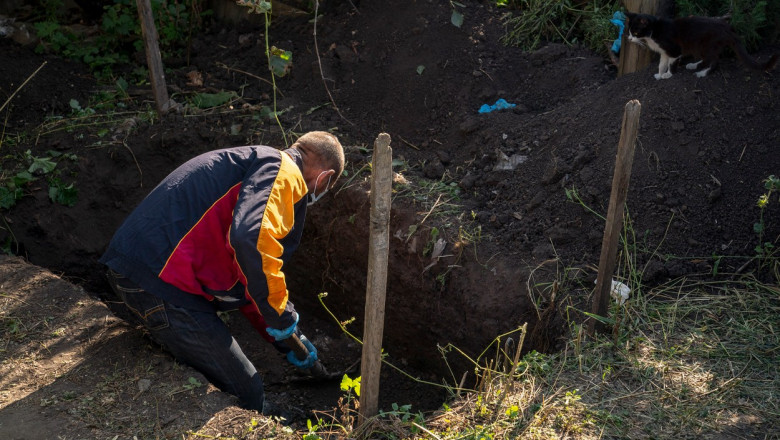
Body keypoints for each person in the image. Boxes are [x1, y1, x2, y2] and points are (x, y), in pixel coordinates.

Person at [99, 131, 345, 414]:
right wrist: (283, 316)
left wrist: (284, 339)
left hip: (137, 270)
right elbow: (253, 242)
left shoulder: (254, 161)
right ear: (324, 178)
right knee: (248, 391)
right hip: (161, 284)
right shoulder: (284, 171)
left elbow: (250, 277)